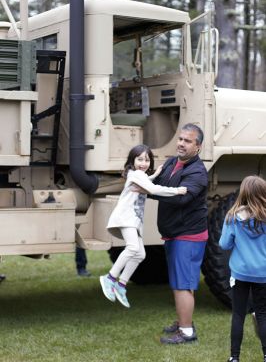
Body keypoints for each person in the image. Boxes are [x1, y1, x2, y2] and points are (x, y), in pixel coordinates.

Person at [99, 144, 187, 308]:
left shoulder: (140, 176)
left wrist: (155, 174)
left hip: (134, 221)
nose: (143, 163)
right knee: (132, 248)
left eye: (147, 160)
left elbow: (147, 182)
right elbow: (153, 189)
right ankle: (110, 278)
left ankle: (121, 284)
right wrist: (176, 191)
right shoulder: (136, 174)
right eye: (140, 159)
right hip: (126, 219)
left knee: (140, 254)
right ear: (132, 161)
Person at [150, 123, 208, 345]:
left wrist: (149, 190)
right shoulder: (174, 162)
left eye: (188, 141)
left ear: (198, 147)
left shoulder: (197, 172)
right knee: (180, 282)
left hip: (188, 236)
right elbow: (159, 184)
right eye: (180, 139)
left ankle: (186, 332)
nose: (181, 144)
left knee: (183, 284)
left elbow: (179, 198)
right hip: (175, 233)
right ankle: (185, 321)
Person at [219, 175, 266, 362]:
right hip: (263, 274)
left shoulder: (232, 217)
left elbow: (224, 244)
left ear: (243, 193)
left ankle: (234, 357)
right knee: (262, 314)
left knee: (238, 315)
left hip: (240, 274)